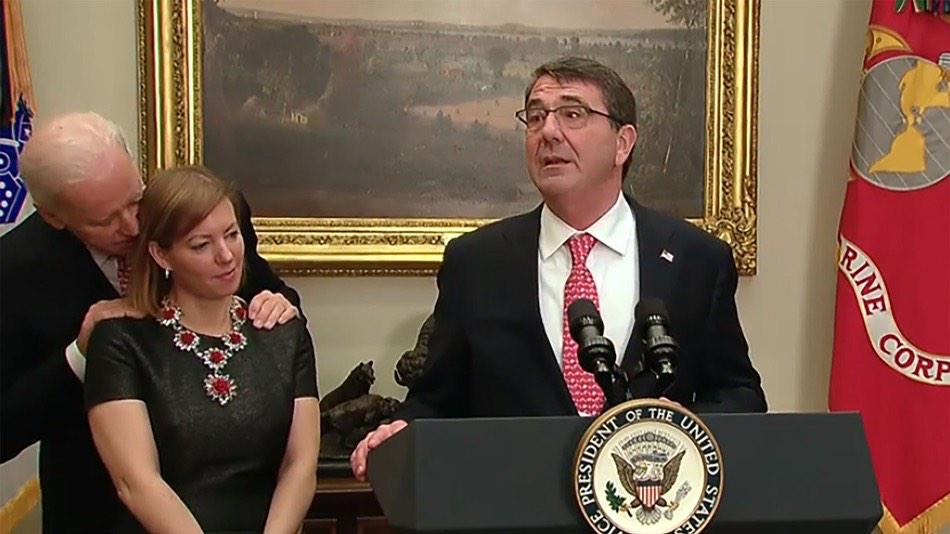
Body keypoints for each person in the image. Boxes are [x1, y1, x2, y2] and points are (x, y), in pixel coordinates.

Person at [351, 57, 766, 480]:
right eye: (536, 117)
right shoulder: (476, 262)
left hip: (646, 496)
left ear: (623, 143)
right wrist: (402, 430)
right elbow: (436, 400)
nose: (548, 132)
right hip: (512, 499)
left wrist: (686, 424)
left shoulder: (696, 259)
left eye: (573, 114)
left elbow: (740, 394)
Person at [0, 112, 302, 533]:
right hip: (100, 513)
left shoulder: (195, 215)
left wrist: (278, 305)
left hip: (227, 502)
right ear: (53, 216)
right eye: (104, 220)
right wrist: (79, 354)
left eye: (133, 199)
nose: (132, 226)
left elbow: (270, 296)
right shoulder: (13, 270)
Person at [84, 165, 319, 533]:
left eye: (232, 235)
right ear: (162, 255)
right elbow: (137, 482)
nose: (226, 255)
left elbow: (300, 466)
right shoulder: (121, 342)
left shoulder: (283, 332)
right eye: (201, 245)